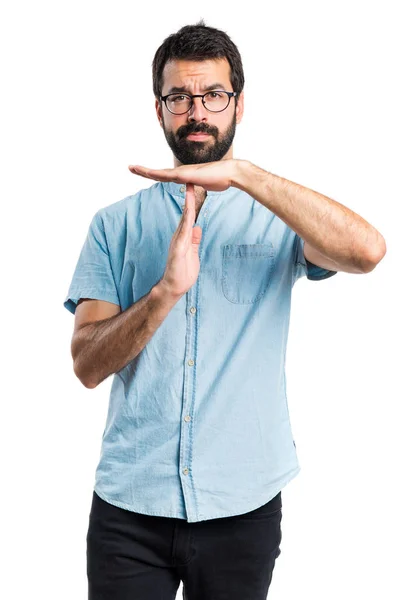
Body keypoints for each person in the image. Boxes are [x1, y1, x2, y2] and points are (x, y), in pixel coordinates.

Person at [63, 19, 386, 600]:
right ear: (159, 109)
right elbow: (86, 365)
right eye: (179, 97)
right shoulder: (114, 225)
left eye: (213, 95)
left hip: (244, 504)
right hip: (130, 508)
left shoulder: (280, 218)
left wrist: (240, 174)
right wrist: (163, 293)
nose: (197, 111)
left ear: (239, 104)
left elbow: (367, 251)